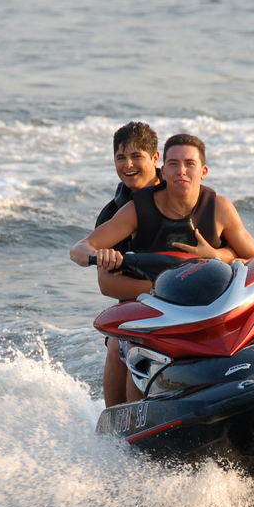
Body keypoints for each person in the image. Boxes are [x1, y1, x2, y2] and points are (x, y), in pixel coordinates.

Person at [71, 133, 254, 404]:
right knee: (121, 346)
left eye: (189, 164)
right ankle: (119, 427)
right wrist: (99, 257)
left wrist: (219, 255)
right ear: (166, 168)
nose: (181, 171)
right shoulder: (130, 211)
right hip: (152, 307)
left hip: (211, 304)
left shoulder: (219, 207)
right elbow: (84, 254)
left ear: (203, 171)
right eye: (175, 164)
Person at [91, 122, 163, 406]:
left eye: (136, 156)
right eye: (120, 158)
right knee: (117, 348)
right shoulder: (111, 215)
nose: (128, 165)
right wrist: (162, 289)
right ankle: (117, 430)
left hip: (194, 300)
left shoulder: (183, 198)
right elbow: (106, 283)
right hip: (137, 307)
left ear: (155, 158)